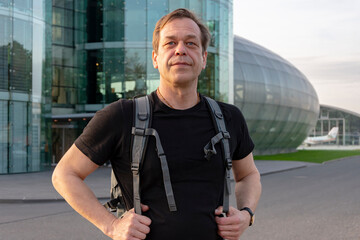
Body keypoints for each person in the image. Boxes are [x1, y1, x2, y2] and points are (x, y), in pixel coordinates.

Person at [52, 8, 261, 240]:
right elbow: (64, 174)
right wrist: (111, 226)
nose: (180, 50)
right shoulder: (122, 116)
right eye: (170, 43)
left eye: (191, 43)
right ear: (155, 58)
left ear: (203, 59)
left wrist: (246, 214)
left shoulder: (229, 118)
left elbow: (249, 175)